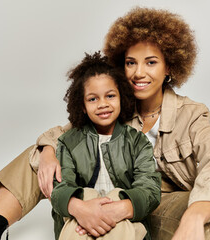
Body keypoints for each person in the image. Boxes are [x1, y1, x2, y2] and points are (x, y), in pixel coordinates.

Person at [0, 7, 210, 240]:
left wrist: (195, 216)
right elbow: (64, 133)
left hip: (155, 204)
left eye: (150, 62)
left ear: (169, 66)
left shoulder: (191, 114)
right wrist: (49, 151)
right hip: (102, 195)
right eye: (130, 62)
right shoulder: (115, 106)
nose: (138, 73)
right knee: (41, 155)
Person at [49, 52, 159, 240]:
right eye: (93, 99)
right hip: (80, 222)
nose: (102, 104)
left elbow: (149, 189)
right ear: (82, 105)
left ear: (121, 98)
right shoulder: (68, 142)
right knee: (87, 194)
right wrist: (82, 209)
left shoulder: (137, 142)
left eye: (110, 96)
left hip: (125, 221)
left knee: (117, 195)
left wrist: (116, 209)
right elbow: (59, 189)